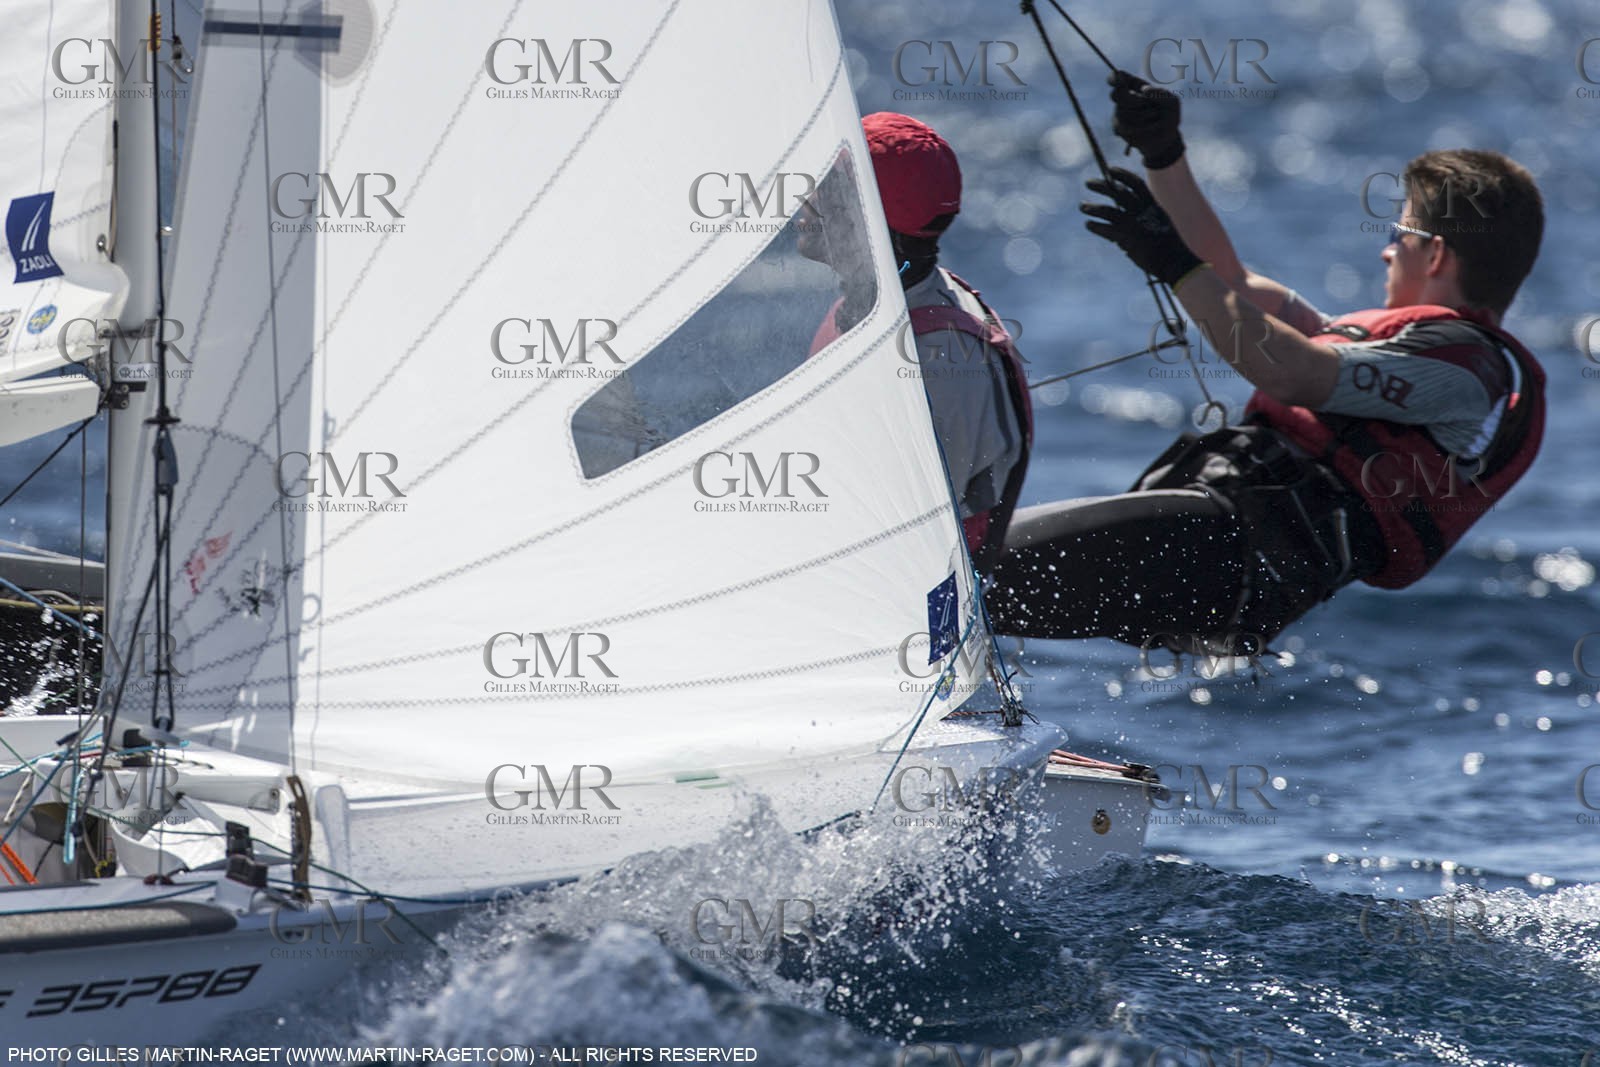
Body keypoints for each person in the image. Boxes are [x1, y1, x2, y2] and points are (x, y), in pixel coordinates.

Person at [983, 71, 1546, 657]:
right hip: (1218, 546)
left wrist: (1172, 262)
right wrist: (1165, 155)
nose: (1385, 249)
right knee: (966, 583)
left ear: (1433, 253)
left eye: (1398, 234)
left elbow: (1291, 373)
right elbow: (1230, 282)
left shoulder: (1464, 376)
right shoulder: (1386, 348)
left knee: (960, 577)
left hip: (1229, 553)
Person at [843, 112, 1033, 575]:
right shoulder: (884, 300)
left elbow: (902, 539)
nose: (806, 201)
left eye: (831, 187)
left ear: (869, 217)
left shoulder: (938, 358)